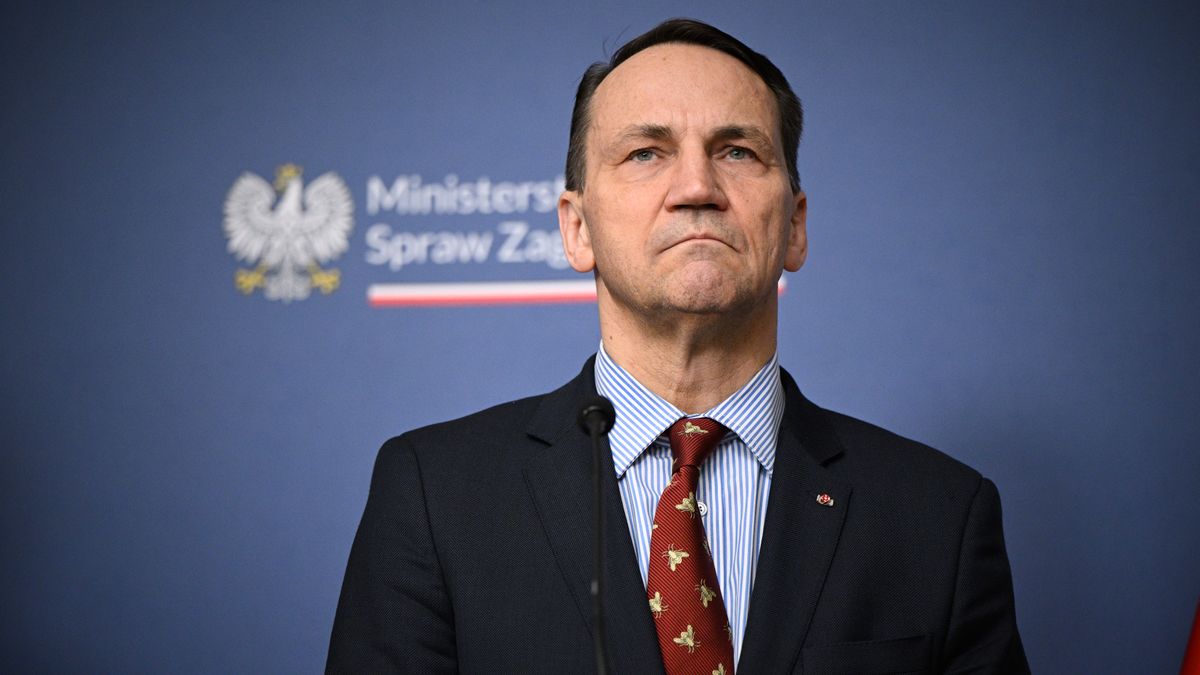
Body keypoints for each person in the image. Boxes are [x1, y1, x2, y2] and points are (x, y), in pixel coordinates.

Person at [328, 18, 1028, 674]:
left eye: (737, 151)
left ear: (794, 226)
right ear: (577, 228)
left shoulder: (940, 515)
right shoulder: (432, 493)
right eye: (645, 153)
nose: (697, 187)